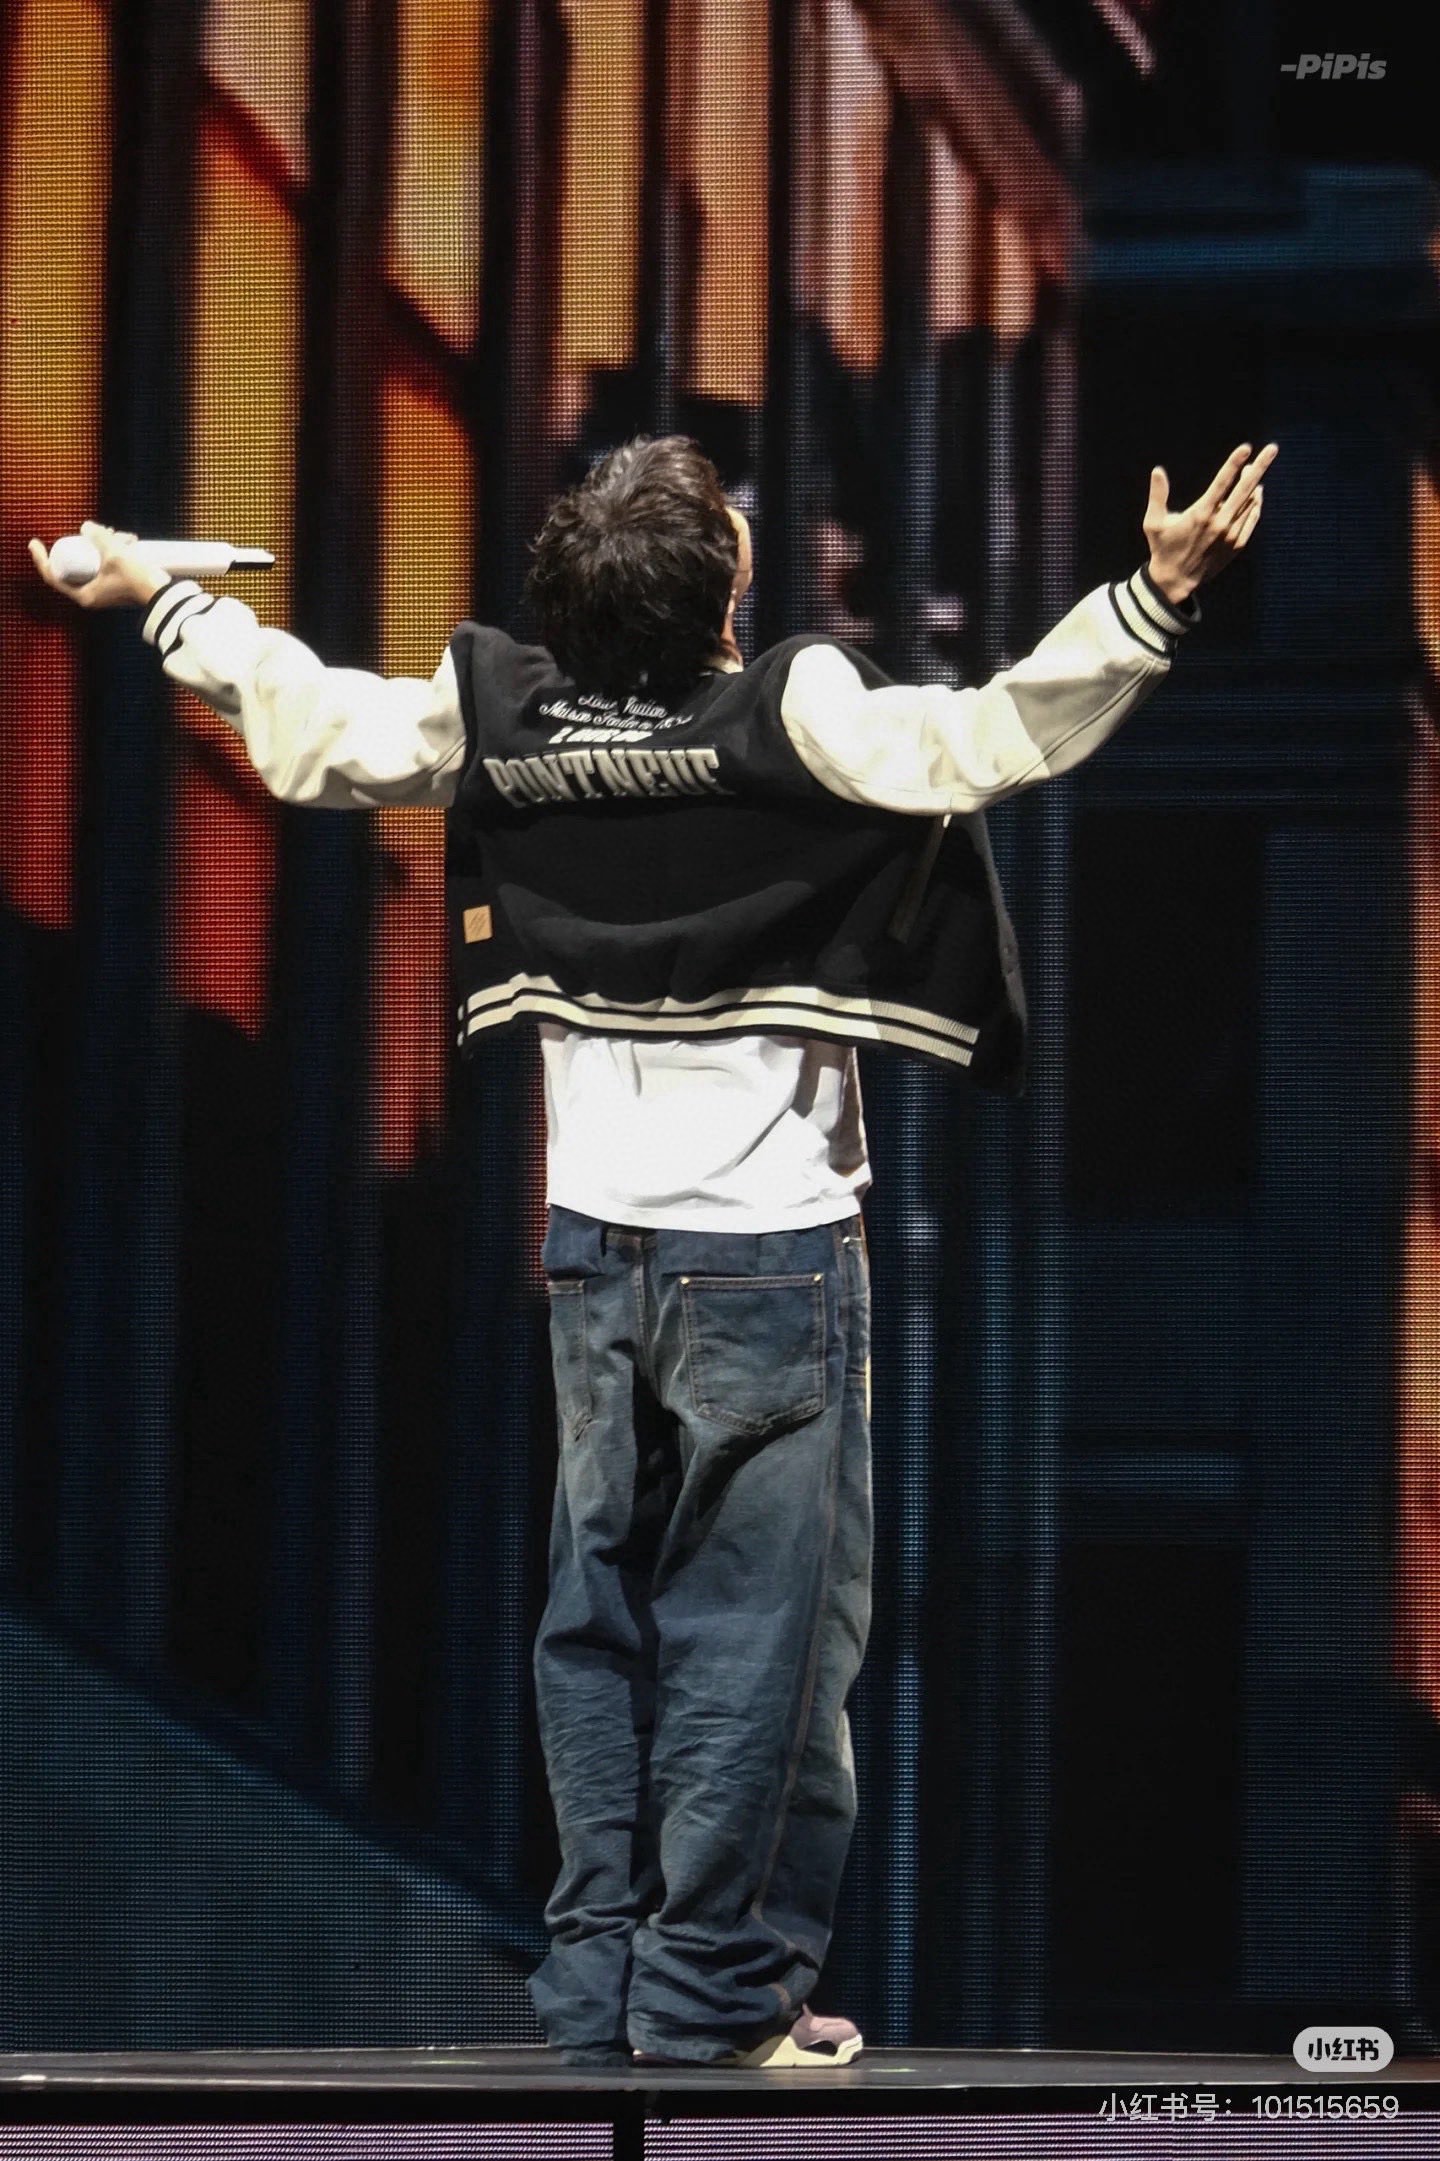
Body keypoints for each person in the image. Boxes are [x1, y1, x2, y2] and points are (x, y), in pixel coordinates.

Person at [31, 433, 1275, 2068]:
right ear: (727, 589)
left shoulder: (506, 710)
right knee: (762, 1647)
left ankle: (596, 1984)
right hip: (766, 1261)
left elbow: (315, 724)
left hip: (593, 1255)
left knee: (598, 1626)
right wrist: (1152, 600)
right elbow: (988, 735)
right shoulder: (792, 710)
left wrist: (160, 596)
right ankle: (711, 2002)